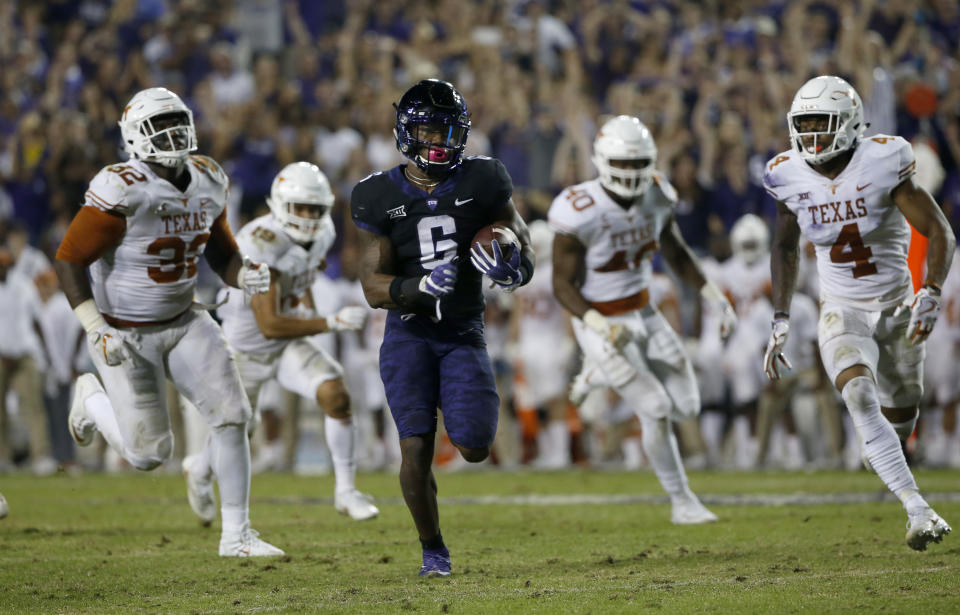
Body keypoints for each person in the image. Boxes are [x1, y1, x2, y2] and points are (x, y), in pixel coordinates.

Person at [53, 87, 284, 557]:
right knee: (148, 455)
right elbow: (68, 259)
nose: (173, 132)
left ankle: (236, 535)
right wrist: (95, 327)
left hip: (184, 320)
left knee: (233, 415)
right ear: (136, 137)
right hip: (124, 331)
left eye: (178, 121)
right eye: (160, 125)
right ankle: (91, 399)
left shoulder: (207, 178)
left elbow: (221, 254)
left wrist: (247, 277)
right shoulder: (122, 187)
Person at [350, 79, 534, 577]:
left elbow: (522, 240)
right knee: (415, 444)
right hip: (408, 331)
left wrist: (517, 266)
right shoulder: (376, 194)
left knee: (474, 445)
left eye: (450, 132)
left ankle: (437, 537)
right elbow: (372, 286)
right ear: (407, 133)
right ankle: (433, 549)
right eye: (430, 130)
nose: (441, 142)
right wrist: (418, 287)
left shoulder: (486, 180)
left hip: (462, 329)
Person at [763, 75, 955, 551]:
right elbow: (786, 246)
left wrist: (930, 292)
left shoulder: (884, 160)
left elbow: (941, 232)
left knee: (900, 415)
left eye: (820, 124)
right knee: (859, 396)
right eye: (802, 125)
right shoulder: (787, 172)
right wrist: (781, 317)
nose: (810, 136)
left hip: (896, 308)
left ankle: (887, 452)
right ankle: (917, 508)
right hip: (841, 308)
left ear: (849, 124)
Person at [551, 115, 736, 525]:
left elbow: (675, 251)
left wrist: (713, 296)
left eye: (640, 164)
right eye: (624, 163)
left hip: (644, 311)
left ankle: (596, 374)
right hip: (600, 321)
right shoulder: (577, 208)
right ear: (602, 161)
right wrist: (599, 326)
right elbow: (562, 286)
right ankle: (682, 502)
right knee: (654, 407)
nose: (633, 173)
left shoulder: (658, 194)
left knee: (687, 407)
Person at [186, 161, 379, 523]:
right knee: (238, 432)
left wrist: (309, 309)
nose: (307, 217)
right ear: (279, 205)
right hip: (245, 349)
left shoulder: (323, 234)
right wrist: (329, 322)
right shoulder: (259, 243)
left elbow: (303, 275)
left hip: (287, 343)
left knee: (335, 394)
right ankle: (198, 471)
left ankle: (346, 491)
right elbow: (270, 324)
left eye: (314, 208)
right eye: (299, 208)